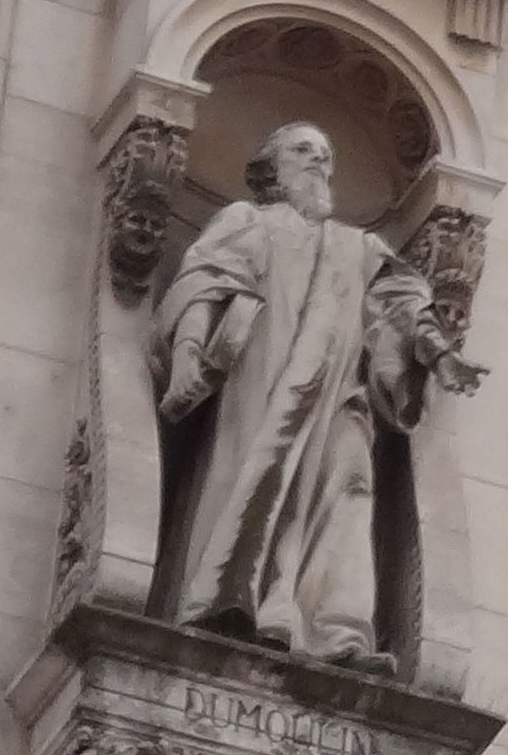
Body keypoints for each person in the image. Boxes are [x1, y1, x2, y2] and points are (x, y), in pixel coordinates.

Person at [151, 122, 446, 662]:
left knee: (353, 485)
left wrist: (433, 350)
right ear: (271, 169)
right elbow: (205, 283)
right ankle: (244, 604)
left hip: (340, 398)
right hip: (263, 386)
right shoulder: (249, 221)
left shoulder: (359, 246)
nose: (319, 161)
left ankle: (337, 632)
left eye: (326, 154)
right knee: (262, 487)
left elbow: (403, 304)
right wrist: (190, 352)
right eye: (303, 150)